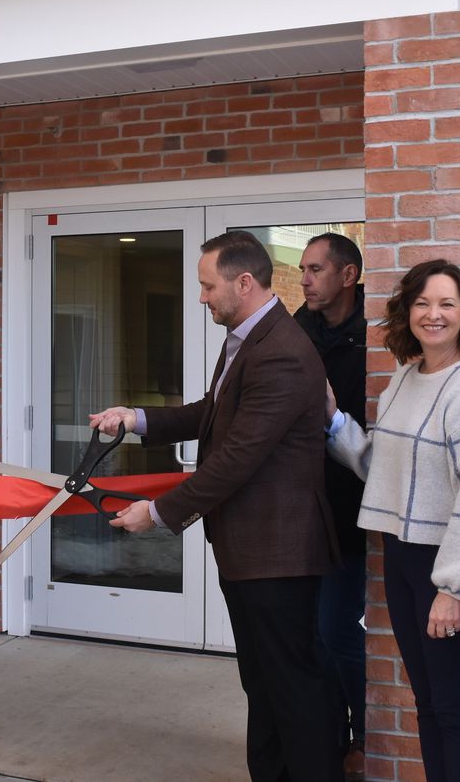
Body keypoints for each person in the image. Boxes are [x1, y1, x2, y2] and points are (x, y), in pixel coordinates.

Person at [91, 230, 342, 782]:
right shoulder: (253, 337)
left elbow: (236, 457)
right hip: (252, 551)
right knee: (265, 681)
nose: (201, 297)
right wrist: (135, 418)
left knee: (292, 687)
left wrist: (157, 514)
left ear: (244, 282)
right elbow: (214, 412)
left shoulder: (281, 351)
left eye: (208, 286)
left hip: (278, 553)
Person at [326, 259, 460, 782]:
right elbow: (382, 467)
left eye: (447, 304)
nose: (433, 314)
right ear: (407, 311)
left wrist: (453, 588)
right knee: (428, 701)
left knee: (454, 706)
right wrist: (333, 421)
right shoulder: (407, 378)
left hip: (449, 563)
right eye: (422, 303)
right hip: (403, 555)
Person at [295, 233, 367, 779]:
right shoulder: (299, 330)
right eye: (303, 269)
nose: (304, 279)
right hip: (298, 509)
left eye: (315, 269)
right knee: (311, 633)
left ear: (348, 275)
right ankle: (329, 737)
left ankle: (360, 735)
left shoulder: (377, 337)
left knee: (337, 630)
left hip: (350, 508)